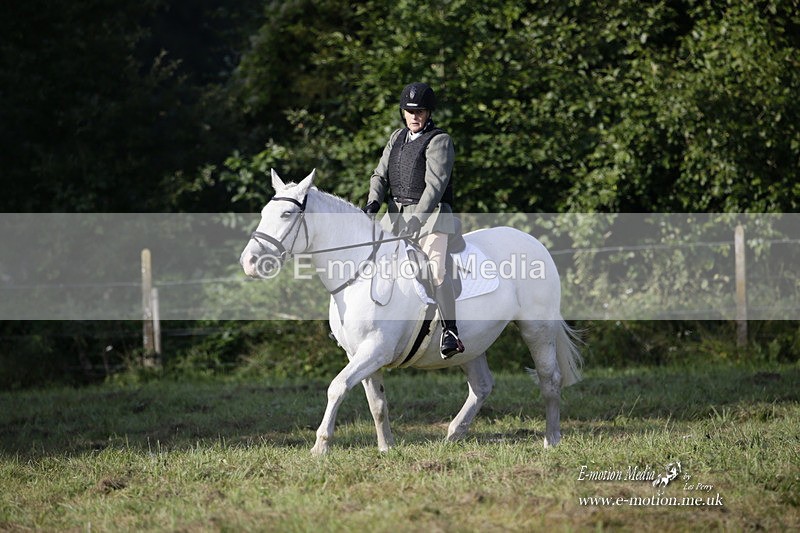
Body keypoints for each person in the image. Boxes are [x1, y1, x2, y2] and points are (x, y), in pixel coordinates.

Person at [363, 82, 465, 358]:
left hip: (431, 217)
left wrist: (417, 220)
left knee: (436, 269)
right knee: (369, 262)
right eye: (410, 112)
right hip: (394, 216)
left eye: (420, 111)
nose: (414, 116)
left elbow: (435, 186)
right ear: (403, 113)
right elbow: (379, 174)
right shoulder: (397, 137)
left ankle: (450, 332)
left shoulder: (439, 141)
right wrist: (373, 202)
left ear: (428, 113)